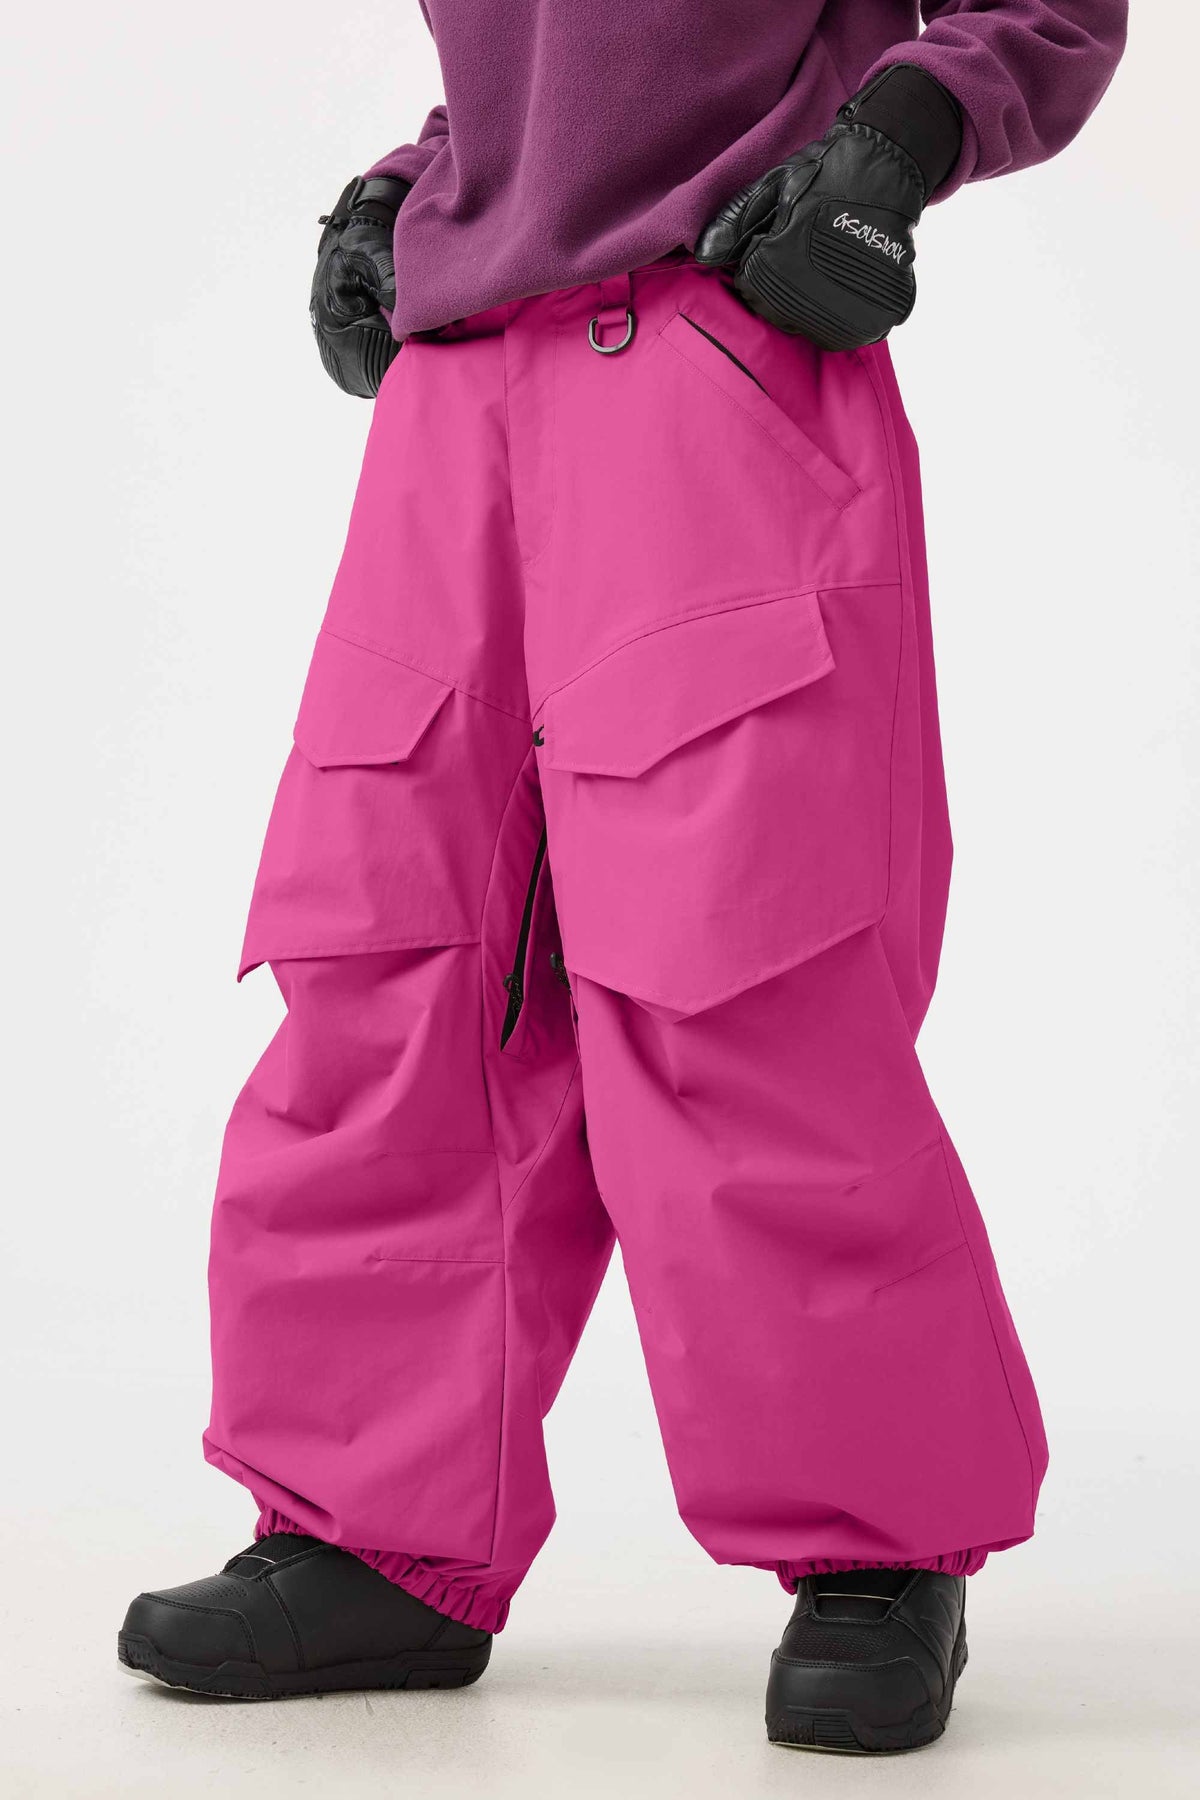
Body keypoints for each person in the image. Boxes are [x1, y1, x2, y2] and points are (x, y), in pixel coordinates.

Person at [118, 0, 1127, 1754]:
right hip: (456, 386)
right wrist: (426, 176)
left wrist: (903, 131)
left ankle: (879, 1546)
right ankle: (373, 1534)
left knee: (737, 972)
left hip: (708, 338)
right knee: (389, 961)